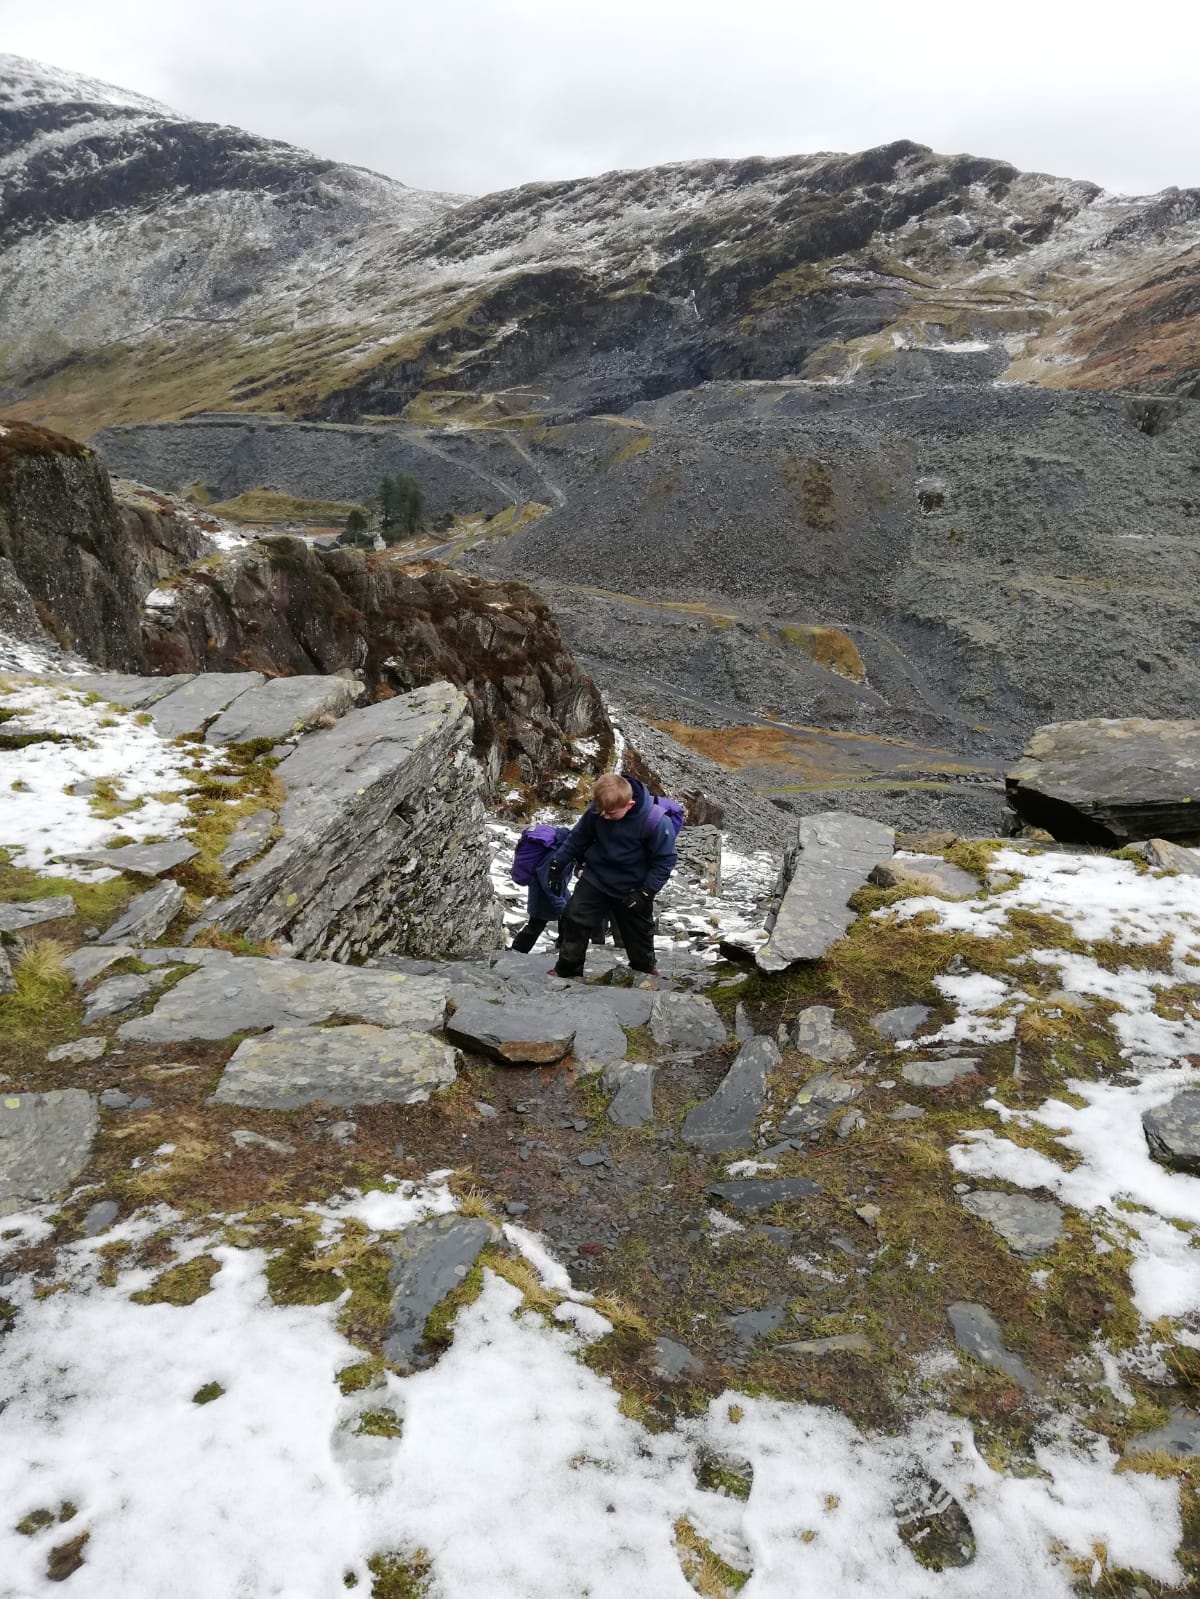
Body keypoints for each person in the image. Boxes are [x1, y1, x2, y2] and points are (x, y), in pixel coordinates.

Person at [547, 773, 677, 979]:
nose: (605, 816)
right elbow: (578, 837)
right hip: (596, 877)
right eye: (601, 812)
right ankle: (568, 969)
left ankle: (644, 970)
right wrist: (557, 864)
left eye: (611, 813)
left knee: (639, 932)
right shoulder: (600, 809)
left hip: (633, 887)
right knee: (574, 919)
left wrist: (646, 892)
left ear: (629, 804)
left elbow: (665, 860)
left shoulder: (657, 822)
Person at [510, 825, 574, 953]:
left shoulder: (566, 848)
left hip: (555, 889)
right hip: (542, 893)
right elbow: (547, 878)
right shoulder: (558, 853)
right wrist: (558, 902)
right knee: (536, 924)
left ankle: (562, 947)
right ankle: (516, 952)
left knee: (568, 913)